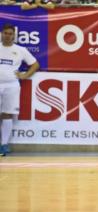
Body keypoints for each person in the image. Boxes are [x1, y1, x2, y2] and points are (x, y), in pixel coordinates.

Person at [0, 23, 39, 156]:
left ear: (14, 35)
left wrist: (25, 75)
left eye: (10, 34)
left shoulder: (20, 50)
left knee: (7, 114)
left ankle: (4, 145)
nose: (7, 36)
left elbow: (34, 64)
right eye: (5, 33)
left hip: (11, 85)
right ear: (1, 33)